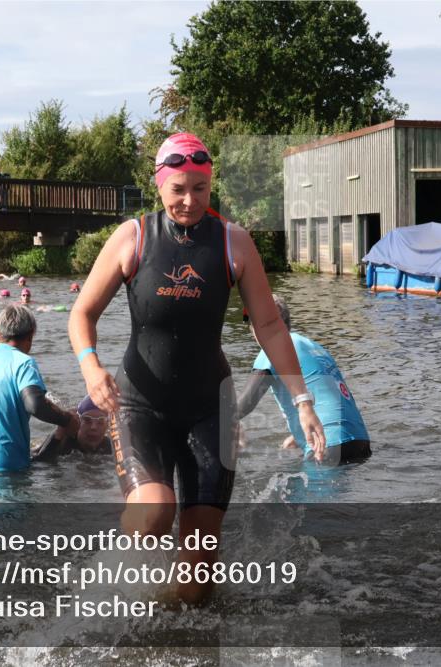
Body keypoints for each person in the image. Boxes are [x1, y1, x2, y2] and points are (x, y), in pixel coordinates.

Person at [68, 132, 326, 605]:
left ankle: (162, 631)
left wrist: (303, 401)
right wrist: (91, 369)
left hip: (211, 409)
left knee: (197, 582)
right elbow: (81, 315)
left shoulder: (234, 242)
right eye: (179, 189)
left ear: (211, 185)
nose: (189, 201)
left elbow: (269, 325)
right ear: (159, 185)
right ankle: (114, 571)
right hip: (140, 405)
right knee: (154, 516)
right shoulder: (134, 237)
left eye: (200, 189)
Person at [237, 295, 371, 466]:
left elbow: (245, 403)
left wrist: (226, 421)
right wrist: (298, 434)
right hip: (360, 442)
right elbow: (327, 397)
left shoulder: (273, 347)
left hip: (327, 446)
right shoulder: (315, 347)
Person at [0, 305, 80, 474]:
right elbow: (35, 404)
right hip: (2, 466)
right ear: (31, 335)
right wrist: (67, 419)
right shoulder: (23, 362)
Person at [31, 395, 113, 461]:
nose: (93, 427)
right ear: (78, 422)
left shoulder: (111, 448)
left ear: (107, 425)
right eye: (87, 420)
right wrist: (59, 434)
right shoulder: (61, 441)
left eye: (101, 422)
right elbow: (38, 463)